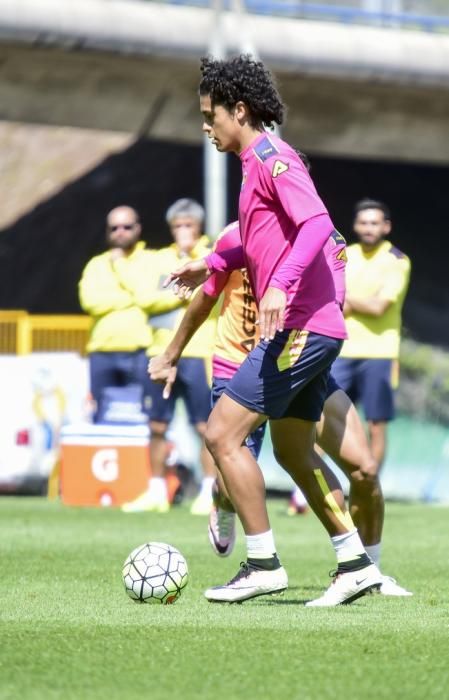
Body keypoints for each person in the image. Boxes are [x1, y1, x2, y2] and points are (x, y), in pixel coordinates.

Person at [162, 55, 383, 606]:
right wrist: (212, 263)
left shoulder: (272, 156)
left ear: (240, 110)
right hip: (310, 328)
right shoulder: (254, 165)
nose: (206, 126)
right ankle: (355, 563)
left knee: (219, 435)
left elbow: (316, 225)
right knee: (290, 450)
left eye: (211, 115)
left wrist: (281, 286)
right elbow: (263, 237)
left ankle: (262, 563)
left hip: (301, 328)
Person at [150, 219, 411, 596]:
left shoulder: (323, 235)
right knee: (229, 466)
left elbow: (335, 299)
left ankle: (366, 570)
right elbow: (206, 297)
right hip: (237, 362)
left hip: (298, 357)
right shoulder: (235, 234)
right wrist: (171, 353)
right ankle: (224, 504)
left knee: (364, 469)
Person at [122, 199, 217, 515]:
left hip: (199, 352)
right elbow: (143, 298)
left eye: (189, 224)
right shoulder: (157, 260)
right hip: (159, 352)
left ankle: (208, 490)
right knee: (157, 424)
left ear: (199, 227)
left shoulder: (211, 255)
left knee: (205, 426)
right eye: (178, 225)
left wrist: (182, 287)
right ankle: (156, 490)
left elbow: (215, 298)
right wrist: (183, 294)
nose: (183, 231)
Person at [332, 199, 411, 472]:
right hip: (341, 351)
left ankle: (370, 488)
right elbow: (331, 299)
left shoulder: (397, 261)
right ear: (355, 225)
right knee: (325, 418)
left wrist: (348, 300)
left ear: (386, 227)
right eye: (364, 222)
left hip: (380, 353)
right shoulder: (344, 255)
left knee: (376, 423)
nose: (368, 228)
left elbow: (379, 307)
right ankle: (307, 492)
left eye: (374, 223)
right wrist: (355, 301)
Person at [79, 205, 170, 423]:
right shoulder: (96, 264)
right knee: (101, 417)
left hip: (140, 352)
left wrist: (119, 266)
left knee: (143, 418)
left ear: (138, 228)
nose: (120, 232)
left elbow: (155, 298)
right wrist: (132, 299)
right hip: (102, 352)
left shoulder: (153, 260)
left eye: (126, 226)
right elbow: (90, 302)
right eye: (114, 228)